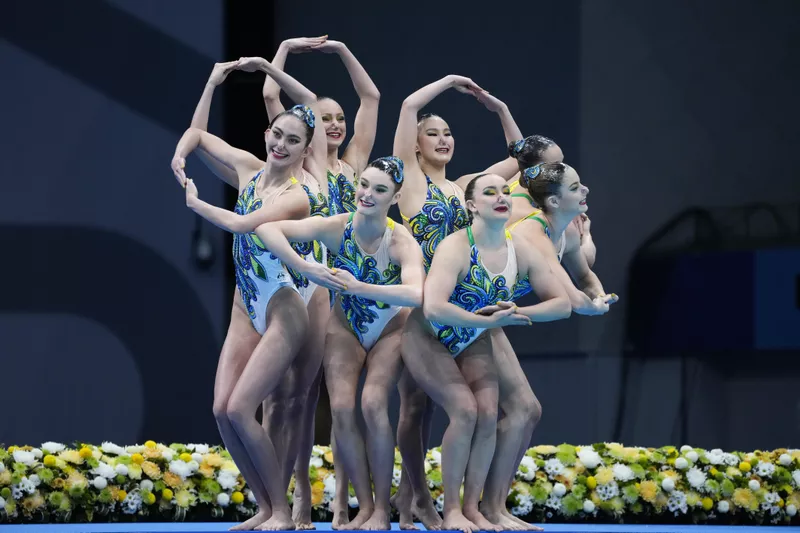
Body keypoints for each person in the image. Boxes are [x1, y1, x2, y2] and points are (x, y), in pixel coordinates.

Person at [171, 55, 328, 531]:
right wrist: (211, 86)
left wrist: (196, 202)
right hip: (247, 302)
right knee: (222, 410)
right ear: (266, 136)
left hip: (285, 307)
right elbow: (197, 137)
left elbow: (242, 224)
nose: (281, 144)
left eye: (293, 140)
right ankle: (265, 505)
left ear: (305, 150)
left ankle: (281, 509)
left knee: (245, 407)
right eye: (276, 135)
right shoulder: (249, 169)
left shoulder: (300, 194)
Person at [255, 157, 425, 530]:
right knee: (343, 408)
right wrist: (304, 266)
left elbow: (417, 293)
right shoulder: (337, 227)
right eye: (364, 185)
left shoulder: (399, 241)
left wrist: (362, 287)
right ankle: (363, 506)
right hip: (345, 327)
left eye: (380, 190)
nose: (367, 194)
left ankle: (382, 508)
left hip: (390, 329)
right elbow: (268, 229)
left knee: (373, 403)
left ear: (395, 197)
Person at [400, 173, 571, 533]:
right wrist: (481, 318)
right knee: (465, 410)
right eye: (489, 192)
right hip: (427, 337)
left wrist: (518, 314)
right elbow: (433, 308)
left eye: (505, 191)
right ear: (472, 205)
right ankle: (451, 511)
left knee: (489, 412)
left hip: (473, 336)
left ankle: (474, 509)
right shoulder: (456, 246)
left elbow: (561, 304)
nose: (501, 197)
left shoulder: (518, 249)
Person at [262, 36, 382, 526]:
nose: (334, 123)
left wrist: (341, 52)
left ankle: (334, 498)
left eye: (339, 118)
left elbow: (371, 97)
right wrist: (284, 51)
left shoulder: (355, 168)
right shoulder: (306, 164)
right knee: (290, 395)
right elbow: (275, 100)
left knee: (336, 399)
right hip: (302, 279)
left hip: (346, 288)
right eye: (325, 118)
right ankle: (288, 498)